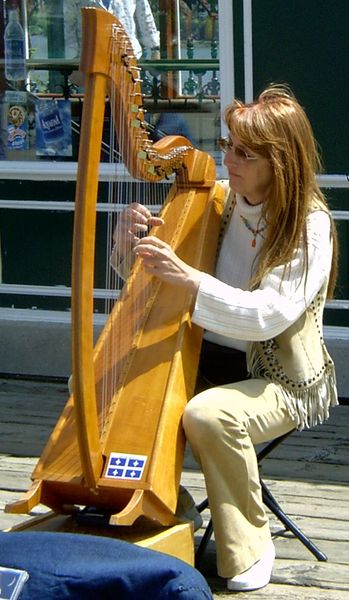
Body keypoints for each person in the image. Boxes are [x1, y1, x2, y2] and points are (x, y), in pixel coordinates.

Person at [111, 84, 338, 592]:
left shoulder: (308, 225)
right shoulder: (218, 202)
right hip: (206, 359)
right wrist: (128, 243)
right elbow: (147, 280)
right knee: (109, 389)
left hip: (280, 379)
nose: (227, 158)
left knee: (207, 414)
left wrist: (189, 279)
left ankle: (251, 542)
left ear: (279, 162)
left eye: (243, 152)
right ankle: (171, 507)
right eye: (229, 145)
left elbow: (268, 316)